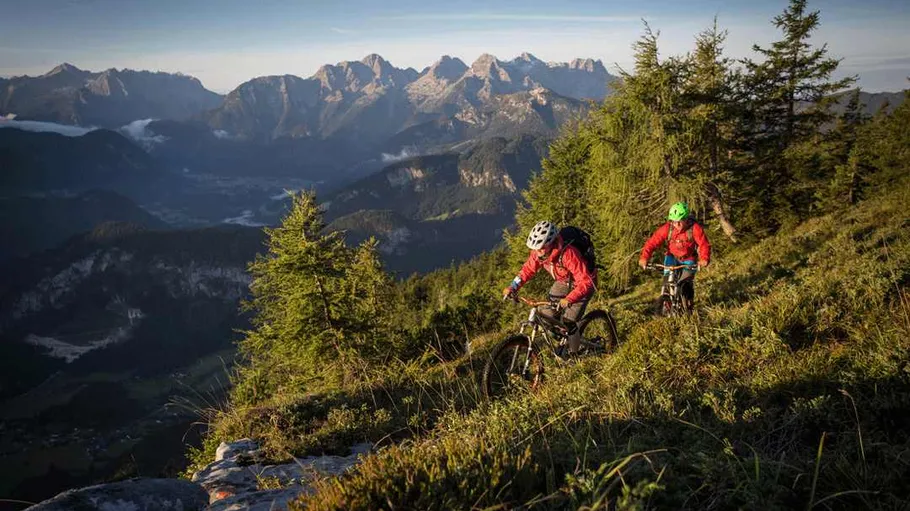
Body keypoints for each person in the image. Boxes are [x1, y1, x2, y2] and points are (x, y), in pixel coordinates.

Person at [502, 221, 596, 355]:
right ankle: (562, 336)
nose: (537, 252)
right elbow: (527, 270)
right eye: (535, 248)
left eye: (540, 248)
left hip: (583, 284)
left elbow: (586, 282)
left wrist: (570, 298)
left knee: (569, 322)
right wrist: (513, 287)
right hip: (563, 282)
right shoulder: (538, 253)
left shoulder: (569, 254)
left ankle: (573, 356)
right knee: (546, 314)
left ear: (550, 243)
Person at [638, 202, 711, 309]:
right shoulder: (668, 228)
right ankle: (666, 306)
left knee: (685, 285)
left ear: (685, 219)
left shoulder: (694, 228)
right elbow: (652, 242)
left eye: (679, 222)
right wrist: (644, 257)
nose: (676, 225)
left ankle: (688, 306)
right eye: (673, 221)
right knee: (667, 281)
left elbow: (704, 244)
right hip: (671, 257)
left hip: (688, 259)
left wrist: (704, 259)